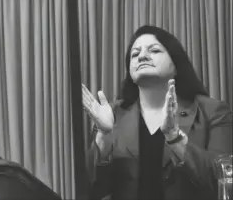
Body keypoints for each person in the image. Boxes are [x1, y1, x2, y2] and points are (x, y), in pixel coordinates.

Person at [82, 25, 232, 200]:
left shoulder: (213, 111)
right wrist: (103, 137)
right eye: (135, 54)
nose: (142, 56)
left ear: (176, 65)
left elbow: (223, 182)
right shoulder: (113, 114)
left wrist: (175, 139)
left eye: (154, 50)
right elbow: (91, 189)